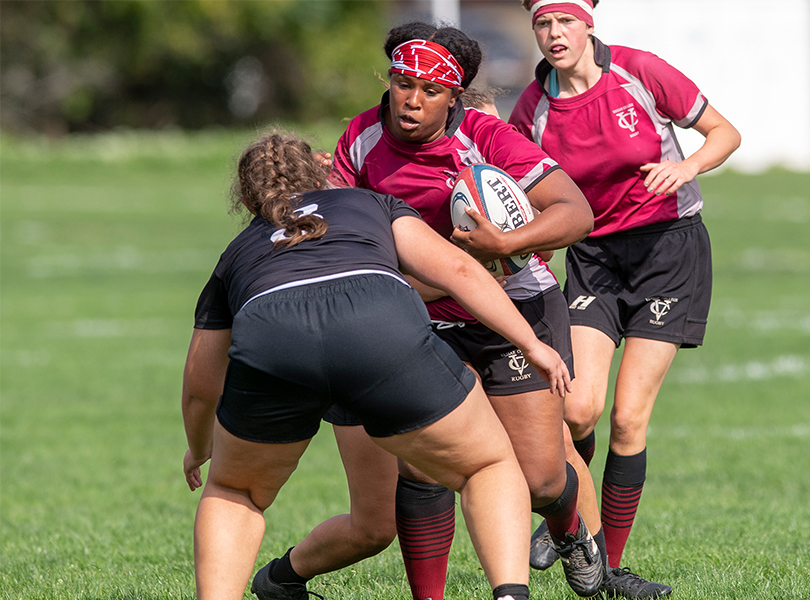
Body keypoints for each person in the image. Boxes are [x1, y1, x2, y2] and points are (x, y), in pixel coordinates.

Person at [252, 22, 606, 600]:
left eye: (430, 90)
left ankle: (569, 533)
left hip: (511, 306)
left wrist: (506, 244)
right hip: (421, 313)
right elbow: (340, 219)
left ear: (455, 96)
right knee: (423, 469)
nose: (411, 99)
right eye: (401, 82)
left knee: (541, 479)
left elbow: (575, 211)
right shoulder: (362, 138)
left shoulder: (488, 138)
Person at [181, 130, 577, 600]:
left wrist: (199, 447)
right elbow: (459, 271)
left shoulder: (236, 255)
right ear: (323, 174)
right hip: (376, 327)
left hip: (274, 335)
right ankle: (510, 594)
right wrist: (531, 343)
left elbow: (201, 383)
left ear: (247, 200)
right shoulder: (371, 203)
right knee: (487, 465)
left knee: (236, 492)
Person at [509, 1, 742, 598]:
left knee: (627, 418)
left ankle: (604, 571)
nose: (554, 34)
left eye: (564, 20)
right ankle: (569, 520)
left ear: (588, 22)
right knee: (577, 409)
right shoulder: (532, 108)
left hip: (669, 251)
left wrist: (684, 166)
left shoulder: (640, 72)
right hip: (595, 259)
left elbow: (725, 133)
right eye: (543, 23)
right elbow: (517, 186)